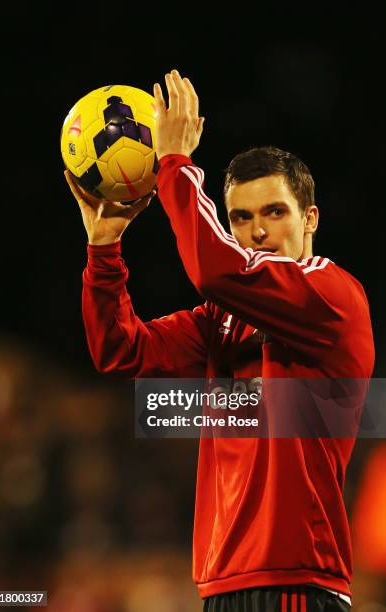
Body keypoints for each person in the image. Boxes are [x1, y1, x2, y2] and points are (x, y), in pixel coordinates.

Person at [65, 69, 375, 611]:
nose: (258, 232)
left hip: (297, 584)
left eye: (275, 213)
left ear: (311, 220)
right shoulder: (221, 322)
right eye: (241, 218)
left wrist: (175, 164)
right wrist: (104, 250)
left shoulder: (332, 296)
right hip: (221, 586)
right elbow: (120, 351)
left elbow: (214, 270)